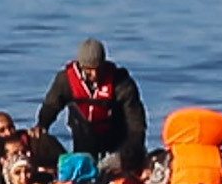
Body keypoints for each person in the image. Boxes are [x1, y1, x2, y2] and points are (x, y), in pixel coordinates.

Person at [36, 40, 146, 171]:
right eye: (89, 70)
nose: (94, 75)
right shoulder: (65, 80)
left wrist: (131, 150)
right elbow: (51, 106)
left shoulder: (121, 83)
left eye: (98, 69)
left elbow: (135, 122)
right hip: (83, 134)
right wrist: (42, 125)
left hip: (116, 137)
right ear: (81, 66)